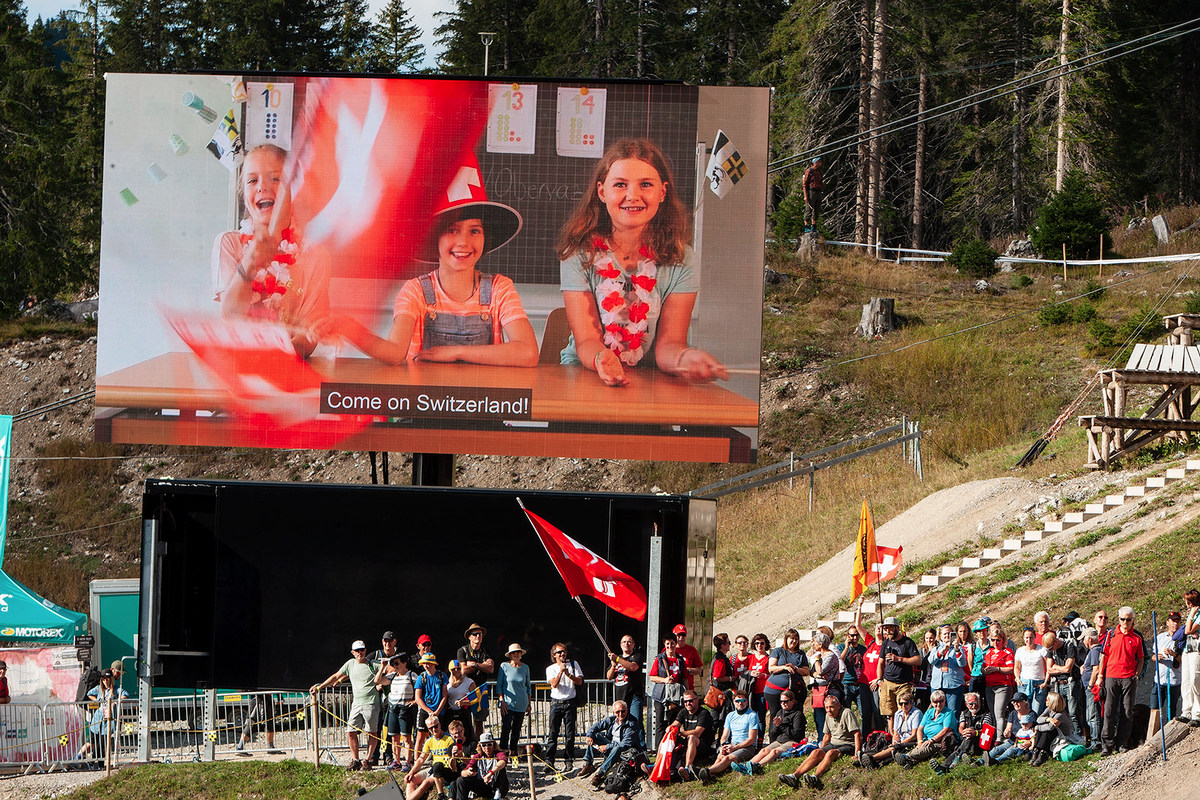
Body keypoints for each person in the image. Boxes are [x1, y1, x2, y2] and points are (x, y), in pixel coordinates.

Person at [557, 138, 727, 386]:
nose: (632, 195)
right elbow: (586, 340)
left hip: (649, 382)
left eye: (646, 184)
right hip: (585, 374)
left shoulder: (682, 259)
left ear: (662, 192)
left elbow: (670, 344)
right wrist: (602, 358)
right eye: (620, 185)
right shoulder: (580, 254)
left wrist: (686, 357)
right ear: (602, 192)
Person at [333, 170, 537, 366]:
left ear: (486, 238)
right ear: (433, 237)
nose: (463, 242)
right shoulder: (415, 292)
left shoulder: (499, 289)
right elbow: (394, 352)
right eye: (451, 230)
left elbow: (527, 353)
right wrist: (349, 328)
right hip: (424, 400)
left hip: (481, 401)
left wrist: (456, 352)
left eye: (474, 231)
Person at [212, 144, 330, 357]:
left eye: (275, 179)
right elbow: (230, 315)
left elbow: (309, 337)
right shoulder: (229, 244)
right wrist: (249, 263)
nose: (262, 187)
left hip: (291, 370)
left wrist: (274, 356)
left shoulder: (316, 256)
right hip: (237, 368)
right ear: (244, 194)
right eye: (252, 180)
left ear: (294, 189)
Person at [310, 640, 380, 771]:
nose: (360, 653)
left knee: (372, 732)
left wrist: (382, 682)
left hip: (371, 703)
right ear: (353, 652)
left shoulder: (373, 664)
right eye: (357, 651)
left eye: (362, 650)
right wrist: (320, 687)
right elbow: (336, 676)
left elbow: (391, 670)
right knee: (351, 731)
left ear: (365, 650)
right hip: (357, 703)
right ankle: (356, 760)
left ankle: (367, 760)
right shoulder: (350, 664)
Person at [778, 692, 859, 790]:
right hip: (833, 743)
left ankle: (815, 777)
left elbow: (857, 734)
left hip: (847, 744)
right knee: (816, 752)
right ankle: (794, 776)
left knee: (830, 753)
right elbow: (826, 736)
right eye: (827, 708)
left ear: (838, 705)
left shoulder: (847, 713)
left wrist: (856, 754)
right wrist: (820, 750)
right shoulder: (828, 715)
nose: (829, 710)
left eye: (832, 707)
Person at [1097, 606, 1144, 756]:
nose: (1125, 622)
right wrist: (1100, 676)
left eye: (1128, 619)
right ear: (1119, 619)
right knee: (1109, 710)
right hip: (1111, 676)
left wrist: (1136, 674)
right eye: (1122, 619)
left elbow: (1141, 658)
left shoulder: (1137, 637)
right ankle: (1107, 744)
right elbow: (1103, 656)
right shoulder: (1111, 634)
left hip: (1128, 678)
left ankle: (1122, 743)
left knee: (1127, 711)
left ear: (1132, 620)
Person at [696, 691, 760, 784]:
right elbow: (724, 735)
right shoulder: (730, 715)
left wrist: (735, 747)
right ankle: (708, 774)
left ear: (747, 701)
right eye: (737, 701)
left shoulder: (752, 715)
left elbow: (751, 739)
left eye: (743, 700)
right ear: (734, 702)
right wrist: (723, 745)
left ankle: (707, 771)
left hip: (747, 747)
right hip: (732, 745)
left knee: (726, 758)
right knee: (721, 756)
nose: (740, 703)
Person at [577, 700, 643, 786]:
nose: (620, 714)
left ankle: (600, 773)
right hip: (612, 745)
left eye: (623, 711)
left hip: (625, 752)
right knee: (595, 736)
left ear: (627, 710)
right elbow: (596, 726)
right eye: (617, 712)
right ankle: (588, 764)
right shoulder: (611, 720)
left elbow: (625, 744)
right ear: (613, 712)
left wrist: (607, 746)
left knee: (617, 748)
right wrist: (589, 736)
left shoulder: (632, 724)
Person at [743, 689, 806, 774]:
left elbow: (796, 734)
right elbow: (772, 733)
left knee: (774, 752)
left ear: (792, 701)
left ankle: (757, 766)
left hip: (793, 741)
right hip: (780, 740)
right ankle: (746, 766)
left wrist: (781, 725)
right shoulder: (780, 712)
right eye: (781, 701)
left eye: (786, 701)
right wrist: (776, 726)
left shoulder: (798, 715)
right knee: (764, 750)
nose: (783, 704)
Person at [878, 617, 921, 737]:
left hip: (903, 683)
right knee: (889, 713)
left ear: (897, 628)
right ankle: (892, 736)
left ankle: (904, 736)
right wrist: (879, 680)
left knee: (903, 710)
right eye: (885, 628)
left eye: (890, 628)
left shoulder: (908, 642)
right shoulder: (886, 642)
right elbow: (880, 662)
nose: (888, 631)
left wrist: (899, 659)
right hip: (887, 682)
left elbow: (918, 660)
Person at [543, 642, 583, 771]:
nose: (562, 654)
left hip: (570, 702)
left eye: (564, 652)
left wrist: (568, 674)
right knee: (553, 733)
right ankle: (549, 761)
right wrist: (561, 672)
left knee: (570, 734)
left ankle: (569, 760)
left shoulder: (574, 664)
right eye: (559, 652)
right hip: (556, 703)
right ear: (554, 655)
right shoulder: (550, 669)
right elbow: (554, 684)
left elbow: (580, 681)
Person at [892, 689, 956, 769]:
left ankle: (907, 757)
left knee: (926, 748)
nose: (938, 704)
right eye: (935, 702)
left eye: (941, 701)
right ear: (932, 702)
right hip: (926, 740)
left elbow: (946, 730)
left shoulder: (949, 713)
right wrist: (920, 742)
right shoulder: (929, 712)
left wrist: (932, 740)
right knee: (922, 747)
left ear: (945, 701)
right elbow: (920, 729)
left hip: (941, 742)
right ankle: (910, 762)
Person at [376, 652, 417, 770]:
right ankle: (396, 761)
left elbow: (420, 688)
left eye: (397, 663)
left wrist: (415, 700)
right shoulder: (392, 675)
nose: (395, 665)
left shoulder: (411, 675)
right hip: (393, 708)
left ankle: (408, 762)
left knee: (406, 737)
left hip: (405, 709)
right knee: (394, 737)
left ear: (405, 663)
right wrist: (383, 666)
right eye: (393, 663)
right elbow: (377, 681)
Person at [934, 691, 993, 774]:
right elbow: (961, 727)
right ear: (966, 704)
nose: (974, 705)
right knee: (967, 735)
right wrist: (963, 732)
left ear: (980, 702)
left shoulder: (986, 714)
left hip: (979, 742)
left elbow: (987, 730)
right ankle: (962, 757)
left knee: (969, 734)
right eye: (971, 704)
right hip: (965, 740)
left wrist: (975, 732)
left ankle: (948, 765)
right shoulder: (964, 713)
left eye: (976, 702)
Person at [859, 690, 921, 769]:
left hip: (909, 741)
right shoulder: (898, 714)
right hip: (899, 740)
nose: (903, 706)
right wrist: (895, 741)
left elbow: (914, 735)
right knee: (886, 746)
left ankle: (872, 758)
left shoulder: (917, 713)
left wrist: (899, 744)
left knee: (893, 748)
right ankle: (872, 761)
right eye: (901, 703)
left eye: (906, 703)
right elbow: (895, 733)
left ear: (912, 703)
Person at [405, 715, 461, 800]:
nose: (434, 730)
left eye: (436, 726)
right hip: (433, 769)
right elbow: (421, 759)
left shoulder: (449, 739)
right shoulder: (429, 741)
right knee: (411, 780)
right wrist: (411, 772)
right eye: (431, 728)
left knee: (425, 783)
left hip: (444, 770)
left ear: (440, 725)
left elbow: (452, 760)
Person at [457, 623, 495, 741]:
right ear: (469, 636)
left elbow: (491, 668)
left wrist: (473, 664)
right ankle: (466, 747)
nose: (478, 636)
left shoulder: (486, 651)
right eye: (475, 634)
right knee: (464, 721)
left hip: (480, 690)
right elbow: (463, 670)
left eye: (480, 634)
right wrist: (482, 666)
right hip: (465, 690)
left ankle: (479, 746)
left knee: (479, 722)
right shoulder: (462, 651)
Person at [648, 635, 688, 747]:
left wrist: (687, 693)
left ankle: (672, 747)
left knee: (674, 722)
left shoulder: (680, 660)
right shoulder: (659, 659)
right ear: (664, 646)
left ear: (676, 644)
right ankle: (659, 749)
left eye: (672, 643)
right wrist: (664, 680)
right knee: (661, 723)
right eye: (667, 644)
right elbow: (652, 677)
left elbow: (684, 677)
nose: (670, 646)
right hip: (661, 695)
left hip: (676, 695)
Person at [1044, 630, 1083, 739]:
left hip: (1071, 682)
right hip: (1058, 683)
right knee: (1059, 712)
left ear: (1056, 641)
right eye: (1049, 649)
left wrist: (1056, 667)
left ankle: (1078, 736)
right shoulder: (1050, 651)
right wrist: (1058, 668)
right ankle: (1063, 736)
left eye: (1052, 648)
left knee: (1073, 711)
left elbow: (1068, 668)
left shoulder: (1069, 646)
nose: (1051, 651)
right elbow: (1049, 669)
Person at [608, 635, 646, 745]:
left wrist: (618, 660)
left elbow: (633, 667)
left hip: (634, 695)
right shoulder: (617, 658)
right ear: (620, 645)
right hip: (620, 697)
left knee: (636, 721)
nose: (626, 644)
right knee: (621, 721)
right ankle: (624, 745)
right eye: (624, 642)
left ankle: (641, 748)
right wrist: (613, 665)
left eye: (629, 642)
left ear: (633, 645)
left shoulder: (637, 656)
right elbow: (609, 676)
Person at [668, 691, 715, 781]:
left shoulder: (704, 713)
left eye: (690, 701)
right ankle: (659, 764)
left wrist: (681, 733)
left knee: (692, 737)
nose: (688, 703)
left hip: (703, 745)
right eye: (685, 701)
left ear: (697, 700)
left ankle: (687, 768)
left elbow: (698, 732)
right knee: (669, 735)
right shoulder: (683, 711)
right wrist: (670, 729)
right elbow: (675, 725)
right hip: (689, 744)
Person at [766, 629, 810, 726]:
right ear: (786, 639)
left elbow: (806, 671)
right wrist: (784, 667)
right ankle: (774, 737)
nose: (794, 641)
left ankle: (792, 736)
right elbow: (771, 668)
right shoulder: (778, 651)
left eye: (796, 639)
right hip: (774, 690)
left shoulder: (801, 654)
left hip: (794, 690)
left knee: (794, 714)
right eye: (792, 638)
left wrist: (795, 668)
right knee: (775, 714)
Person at [838, 619, 874, 734]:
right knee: (845, 712)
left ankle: (864, 737)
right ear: (847, 636)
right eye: (851, 635)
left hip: (860, 684)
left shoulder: (863, 649)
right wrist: (846, 648)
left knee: (865, 712)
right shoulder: (841, 647)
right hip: (847, 683)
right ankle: (847, 736)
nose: (854, 638)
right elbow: (840, 662)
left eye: (856, 635)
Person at [1149, 611, 1182, 736]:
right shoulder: (1160, 638)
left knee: (1171, 709)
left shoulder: (1182, 638)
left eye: (1177, 621)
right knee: (1155, 707)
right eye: (1173, 621)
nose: (1175, 624)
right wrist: (1157, 657)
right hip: (1159, 679)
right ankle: (1153, 735)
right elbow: (1152, 656)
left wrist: (1173, 654)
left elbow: (1183, 660)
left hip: (1174, 680)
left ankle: (1168, 736)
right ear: (1167, 622)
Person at [85, 669, 129, 762]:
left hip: (108, 720)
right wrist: (96, 701)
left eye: (108, 679)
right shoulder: (98, 689)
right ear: (101, 680)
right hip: (97, 720)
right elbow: (89, 694)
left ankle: (96, 762)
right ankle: (90, 761)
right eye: (104, 679)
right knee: (94, 742)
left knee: (102, 743)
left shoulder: (116, 689)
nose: (106, 681)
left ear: (111, 679)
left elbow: (126, 694)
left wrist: (116, 701)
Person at [1029, 691, 1083, 766]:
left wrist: (1037, 727)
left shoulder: (1060, 715)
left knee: (1046, 731)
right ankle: (1036, 750)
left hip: (1063, 736)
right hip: (1054, 735)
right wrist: (1048, 719)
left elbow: (1050, 727)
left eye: (1047, 700)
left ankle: (1042, 752)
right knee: (1041, 730)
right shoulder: (1049, 709)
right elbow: (1038, 719)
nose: (1046, 701)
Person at [496, 643, 532, 757]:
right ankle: (503, 751)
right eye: (514, 653)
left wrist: (529, 704)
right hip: (507, 703)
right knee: (506, 727)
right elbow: (499, 685)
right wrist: (502, 701)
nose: (516, 654)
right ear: (510, 655)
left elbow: (528, 686)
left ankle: (513, 752)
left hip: (521, 703)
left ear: (521, 654)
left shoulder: (525, 668)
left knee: (517, 728)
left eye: (518, 652)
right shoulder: (504, 666)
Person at [451, 730, 509, 800]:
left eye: (489, 744)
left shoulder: (498, 754)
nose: (487, 747)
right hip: (484, 785)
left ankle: (498, 792)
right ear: (480, 746)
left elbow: (503, 761)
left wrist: (490, 773)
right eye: (484, 745)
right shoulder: (477, 756)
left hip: (497, 785)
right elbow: (463, 772)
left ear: (493, 744)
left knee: (501, 769)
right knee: (460, 780)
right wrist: (468, 772)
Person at [928, 624, 969, 719]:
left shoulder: (959, 648)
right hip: (937, 685)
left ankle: (952, 733)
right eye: (945, 634)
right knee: (937, 712)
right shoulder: (936, 648)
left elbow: (962, 663)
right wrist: (942, 651)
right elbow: (931, 661)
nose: (947, 636)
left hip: (953, 686)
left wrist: (957, 649)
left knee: (953, 712)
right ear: (940, 636)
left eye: (949, 634)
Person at [413, 653, 449, 757]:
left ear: (433, 664)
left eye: (428, 663)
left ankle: (440, 758)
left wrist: (437, 711)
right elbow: (417, 698)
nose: (426, 665)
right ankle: (416, 761)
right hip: (425, 711)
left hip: (439, 710)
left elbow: (444, 696)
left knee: (439, 735)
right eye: (424, 663)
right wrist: (429, 711)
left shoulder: (442, 676)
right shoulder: (421, 677)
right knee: (420, 736)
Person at [986, 693, 1037, 764]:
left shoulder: (1032, 715)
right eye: (1013, 702)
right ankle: (980, 761)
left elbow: (1035, 732)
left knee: (1009, 751)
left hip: (1022, 743)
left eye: (1018, 701)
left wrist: (1030, 742)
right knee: (996, 749)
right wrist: (1007, 732)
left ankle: (995, 761)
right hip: (1012, 740)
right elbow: (1008, 728)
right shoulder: (1013, 713)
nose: (1015, 704)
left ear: (1025, 702)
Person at [982, 623, 1016, 727]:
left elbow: (1011, 669)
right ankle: (994, 736)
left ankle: (1000, 738)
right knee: (993, 713)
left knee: (999, 713)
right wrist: (985, 670)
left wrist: (997, 669)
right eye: (993, 640)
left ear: (1003, 640)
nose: (995, 642)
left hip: (1003, 685)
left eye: (998, 640)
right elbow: (982, 668)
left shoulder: (1007, 652)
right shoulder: (989, 652)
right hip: (989, 686)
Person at [808, 632, 839, 741]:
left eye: (815, 643)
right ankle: (821, 739)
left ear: (821, 644)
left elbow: (820, 671)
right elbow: (812, 672)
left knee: (827, 716)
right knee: (818, 717)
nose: (813, 645)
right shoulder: (821, 655)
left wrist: (816, 660)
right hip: (818, 690)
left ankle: (827, 741)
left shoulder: (830, 656)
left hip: (829, 690)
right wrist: (816, 673)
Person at [1014, 627, 1050, 714]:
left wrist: (1046, 681)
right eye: (1027, 637)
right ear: (1023, 638)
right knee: (1024, 711)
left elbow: (1049, 667)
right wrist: (1017, 678)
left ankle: (1035, 727)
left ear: (1034, 637)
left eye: (1031, 637)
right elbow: (1017, 667)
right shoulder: (1020, 651)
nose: (1029, 640)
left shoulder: (1042, 650)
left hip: (1039, 684)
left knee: (1037, 711)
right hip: (1024, 684)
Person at [445, 660, 478, 749]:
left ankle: (467, 752)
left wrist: (464, 702)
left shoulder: (468, 682)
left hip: (464, 711)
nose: (456, 671)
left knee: (465, 733)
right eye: (453, 669)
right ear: (450, 670)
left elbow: (476, 698)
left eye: (458, 669)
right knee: (453, 734)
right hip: (451, 712)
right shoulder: (447, 683)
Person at [1080, 627, 1104, 746]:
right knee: (1092, 714)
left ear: (1089, 639)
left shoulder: (1095, 651)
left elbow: (1096, 669)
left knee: (1092, 715)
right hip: (1091, 686)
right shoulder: (1097, 650)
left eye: (1084, 638)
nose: (1083, 641)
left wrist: (1090, 684)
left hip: (1093, 688)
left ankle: (1096, 741)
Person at [1180, 589, 1200, 726]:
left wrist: (1192, 615)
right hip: (1188, 649)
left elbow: (1187, 630)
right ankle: (1186, 711)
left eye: (1188, 602)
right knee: (1186, 680)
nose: (1187, 605)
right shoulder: (1192, 614)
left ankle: (1197, 712)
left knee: (1195, 679)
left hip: (1197, 649)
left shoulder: (1196, 614)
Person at [708, 633, 736, 727]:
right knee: (719, 719)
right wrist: (731, 678)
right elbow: (717, 677)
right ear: (723, 645)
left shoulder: (720, 657)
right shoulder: (720, 659)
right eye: (728, 642)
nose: (730, 645)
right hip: (719, 694)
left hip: (717, 693)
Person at [746, 633, 772, 727]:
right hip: (751, 691)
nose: (759, 645)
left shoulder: (769, 658)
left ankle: (760, 739)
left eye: (762, 643)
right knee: (750, 716)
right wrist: (750, 673)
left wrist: (763, 675)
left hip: (762, 691)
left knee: (761, 716)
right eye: (757, 643)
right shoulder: (750, 658)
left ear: (766, 644)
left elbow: (772, 675)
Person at [671, 624, 704, 691]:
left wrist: (687, 670)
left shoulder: (692, 650)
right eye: (678, 635)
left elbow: (699, 669)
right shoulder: (668, 649)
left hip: (688, 688)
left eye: (683, 635)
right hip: (672, 687)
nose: (681, 637)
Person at [914, 628, 936, 712]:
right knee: (921, 705)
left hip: (934, 682)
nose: (929, 640)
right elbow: (921, 666)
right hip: (923, 682)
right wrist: (929, 652)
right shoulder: (921, 651)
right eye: (927, 638)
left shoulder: (939, 649)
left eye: (931, 638)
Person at [802, 157, 823, 233]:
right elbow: (804, 184)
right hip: (811, 191)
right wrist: (805, 195)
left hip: (819, 191)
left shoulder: (819, 172)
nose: (821, 163)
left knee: (816, 209)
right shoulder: (809, 171)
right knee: (809, 209)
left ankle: (813, 226)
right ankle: (806, 226)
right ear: (815, 162)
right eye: (819, 161)